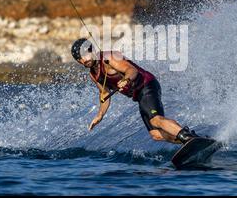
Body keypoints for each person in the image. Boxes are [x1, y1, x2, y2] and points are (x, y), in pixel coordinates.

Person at [71, 38, 205, 145]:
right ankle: (187, 141)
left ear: (91, 50)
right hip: (139, 96)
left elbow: (131, 70)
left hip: (147, 85)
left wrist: (127, 80)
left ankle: (189, 138)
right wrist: (100, 115)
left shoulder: (109, 57)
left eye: (84, 55)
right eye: (79, 59)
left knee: (156, 120)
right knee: (156, 134)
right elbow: (104, 94)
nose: (83, 60)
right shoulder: (93, 74)